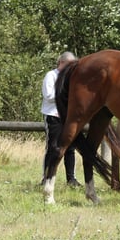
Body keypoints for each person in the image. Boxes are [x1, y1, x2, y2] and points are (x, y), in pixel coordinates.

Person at [41, 51, 81, 188]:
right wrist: (67, 94)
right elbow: (48, 95)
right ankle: (46, 177)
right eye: (70, 65)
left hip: (68, 117)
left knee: (70, 148)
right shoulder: (51, 76)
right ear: (61, 62)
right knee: (52, 147)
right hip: (53, 115)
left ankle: (71, 179)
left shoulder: (72, 78)